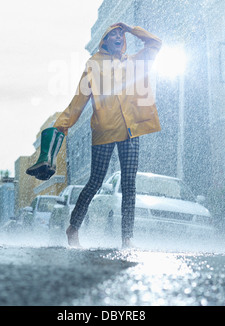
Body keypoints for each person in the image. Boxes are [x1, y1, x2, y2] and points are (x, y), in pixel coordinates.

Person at [54, 22, 162, 248]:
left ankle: (127, 238)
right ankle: (73, 227)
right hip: (104, 131)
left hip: (131, 131)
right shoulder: (94, 63)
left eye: (120, 34)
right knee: (95, 182)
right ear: (104, 40)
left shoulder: (134, 62)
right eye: (113, 33)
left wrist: (132, 28)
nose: (118, 37)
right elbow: (79, 100)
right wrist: (63, 124)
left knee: (129, 184)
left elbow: (155, 43)